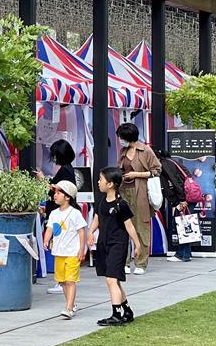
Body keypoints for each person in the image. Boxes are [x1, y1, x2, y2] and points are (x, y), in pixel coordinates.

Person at [88, 167, 142, 326]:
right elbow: (97, 219)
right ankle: (126, 311)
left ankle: (116, 314)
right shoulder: (101, 201)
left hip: (118, 244)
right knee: (114, 281)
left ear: (110, 184)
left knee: (111, 280)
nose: (98, 182)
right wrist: (91, 232)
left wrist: (137, 245)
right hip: (104, 244)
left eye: (101, 179)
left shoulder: (121, 204)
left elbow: (130, 226)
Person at [115, 122, 161, 274]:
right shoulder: (123, 151)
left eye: (121, 137)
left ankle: (141, 263)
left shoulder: (145, 150)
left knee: (141, 227)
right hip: (124, 191)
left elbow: (157, 170)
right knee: (123, 227)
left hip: (140, 191)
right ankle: (125, 261)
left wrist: (137, 174)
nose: (120, 140)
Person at [38, 139, 81, 293]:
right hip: (62, 213)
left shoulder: (65, 171)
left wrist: (43, 180)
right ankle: (62, 281)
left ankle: (62, 281)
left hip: (61, 214)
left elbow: (58, 190)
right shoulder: (68, 169)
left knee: (61, 245)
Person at [42, 181, 86, 319]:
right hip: (58, 252)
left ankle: (68, 308)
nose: (55, 195)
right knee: (62, 281)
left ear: (68, 197)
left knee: (70, 281)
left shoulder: (75, 213)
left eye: (59, 193)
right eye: (55, 192)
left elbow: (81, 232)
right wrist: (46, 239)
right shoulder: (54, 213)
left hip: (72, 253)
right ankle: (71, 304)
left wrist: (81, 250)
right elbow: (50, 228)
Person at [155, 149, 192, 263]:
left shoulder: (165, 165)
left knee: (182, 225)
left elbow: (175, 182)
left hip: (182, 199)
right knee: (183, 224)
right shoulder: (171, 162)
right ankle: (185, 253)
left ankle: (183, 254)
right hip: (182, 198)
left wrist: (181, 199)